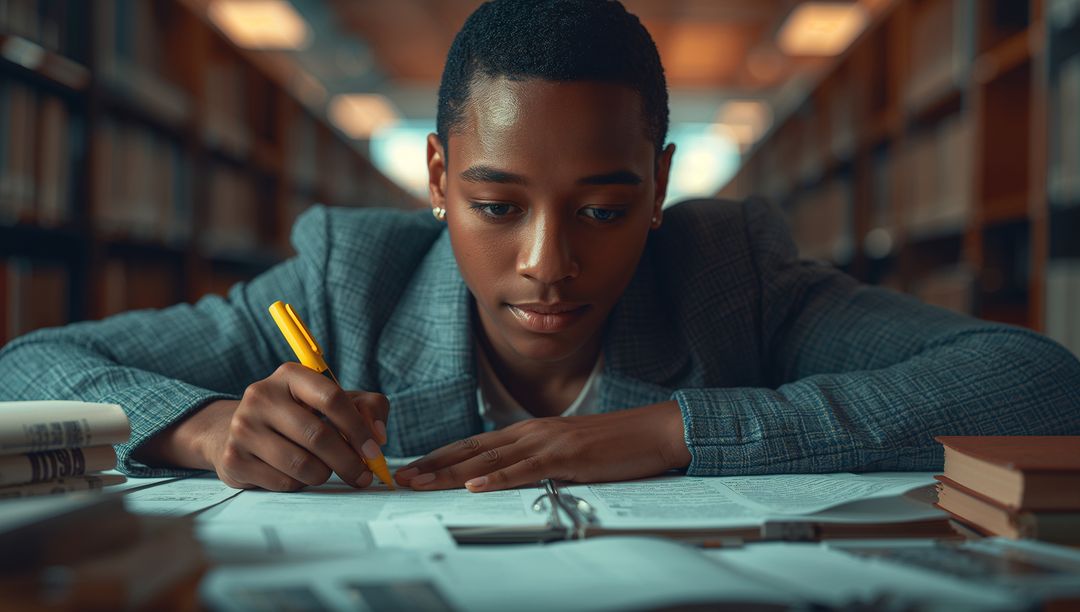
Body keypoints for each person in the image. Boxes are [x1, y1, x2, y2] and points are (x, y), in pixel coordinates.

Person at [2, 0, 1078, 494]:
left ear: (661, 185)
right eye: (498, 206)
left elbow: (1036, 385)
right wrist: (203, 427)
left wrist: (676, 433)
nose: (548, 265)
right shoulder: (348, 281)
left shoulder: (728, 274)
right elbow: (24, 371)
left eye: (605, 209)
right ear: (435, 181)